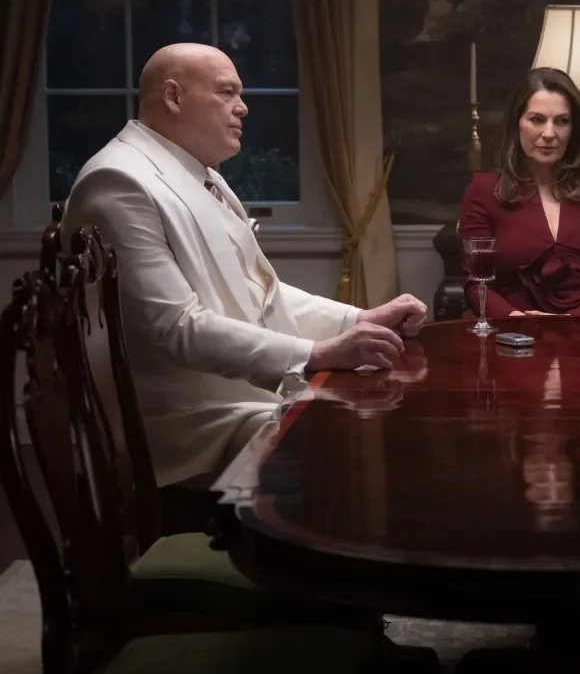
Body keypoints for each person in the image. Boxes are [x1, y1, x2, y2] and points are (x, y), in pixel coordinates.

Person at [61, 43, 427, 533]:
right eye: (227, 92)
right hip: (179, 426)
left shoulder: (199, 174)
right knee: (349, 432)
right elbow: (172, 326)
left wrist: (357, 319)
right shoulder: (118, 180)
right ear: (173, 96)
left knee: (371, 413)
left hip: (228, 400)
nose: (243, 107)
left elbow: (260, 291)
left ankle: (351, 568)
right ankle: (317, 568)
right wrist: (316, 354)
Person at [457, 67, 580, 317]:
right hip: (513, 333)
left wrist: (570, 322)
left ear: (574, 128)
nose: (549, 134)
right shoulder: (482, 192)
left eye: (562, 121)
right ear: (517, 122)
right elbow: (476, 285)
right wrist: (516, 322)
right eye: (537, 119)